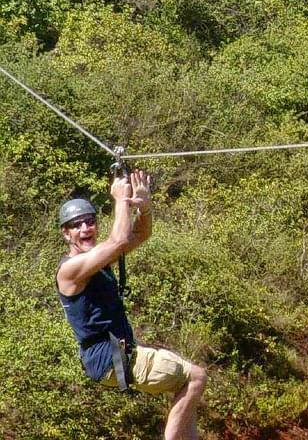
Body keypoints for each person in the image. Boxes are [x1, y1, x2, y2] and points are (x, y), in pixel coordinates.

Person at [56, 170, 208, 440]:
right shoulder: (70, 270)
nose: (85, 229)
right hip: (109, 357)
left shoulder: (97, 260)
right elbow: (118, 240)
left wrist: (145, 207)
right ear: (66, 234)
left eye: (89, 222)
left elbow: (139, 234)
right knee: (195, 377)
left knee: (188, 385)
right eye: (76, 225)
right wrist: (120, 200)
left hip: (116, 355)